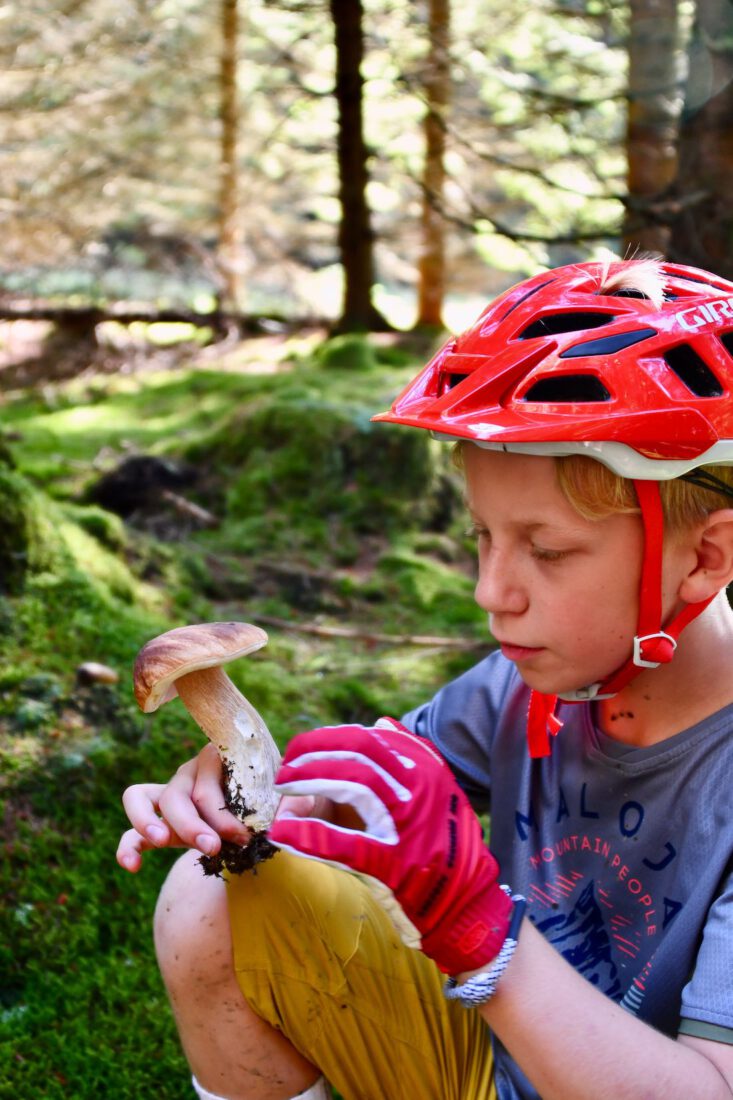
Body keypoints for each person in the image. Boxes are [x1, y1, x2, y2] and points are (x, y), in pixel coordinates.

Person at [117, 256, 733, 1100]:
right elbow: (355, 797)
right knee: (210, 893)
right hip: (479, 1059)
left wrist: (485, 936)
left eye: (545, 550)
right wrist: (247, 797)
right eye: (481, 537)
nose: (490, 594)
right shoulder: (525, 686)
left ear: (703, 557)